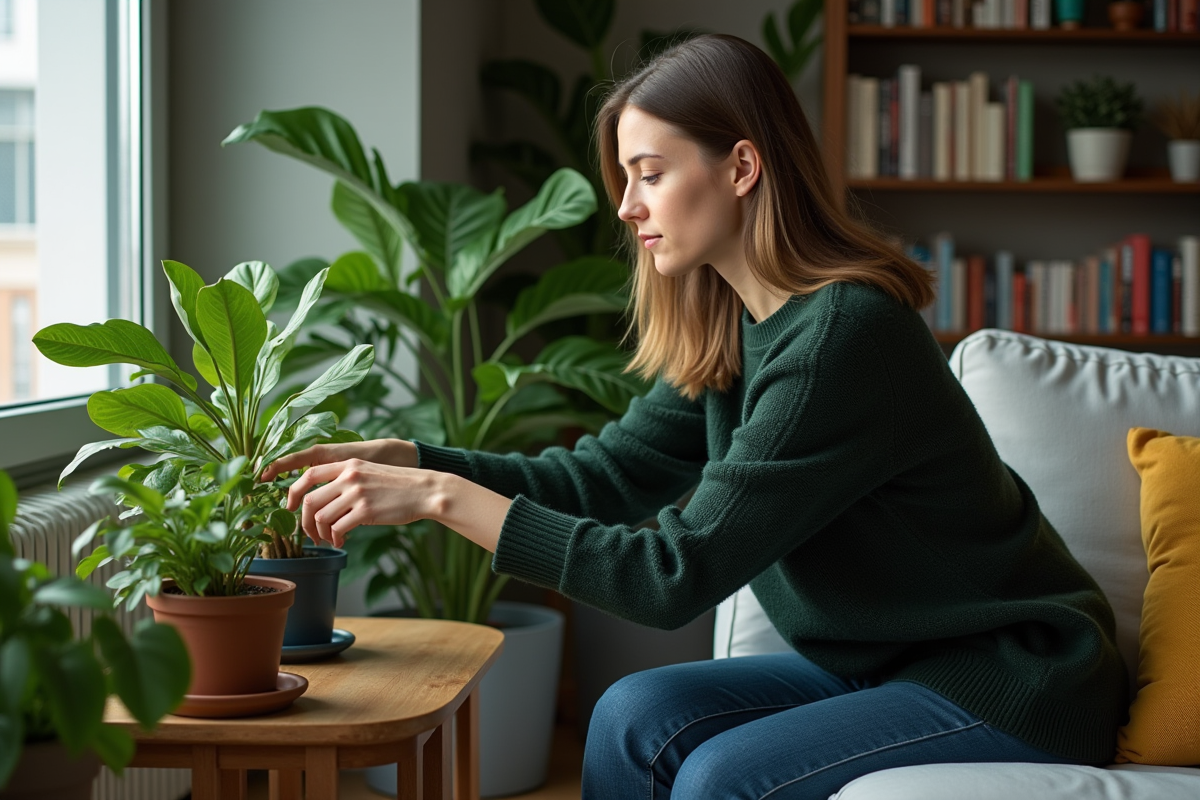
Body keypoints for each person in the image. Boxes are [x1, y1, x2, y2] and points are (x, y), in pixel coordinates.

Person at [262, 34, 1127, 800]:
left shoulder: (845, 336)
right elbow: (602, 477)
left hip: (1009, 681)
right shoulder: (736, 325)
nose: (628, 207)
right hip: (881, 666)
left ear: (742, 168)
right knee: (635, 711)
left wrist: (441, 501)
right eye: (626, 181)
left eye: (650, 173)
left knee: (722, 776)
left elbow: (670, 575)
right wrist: (414, 457)